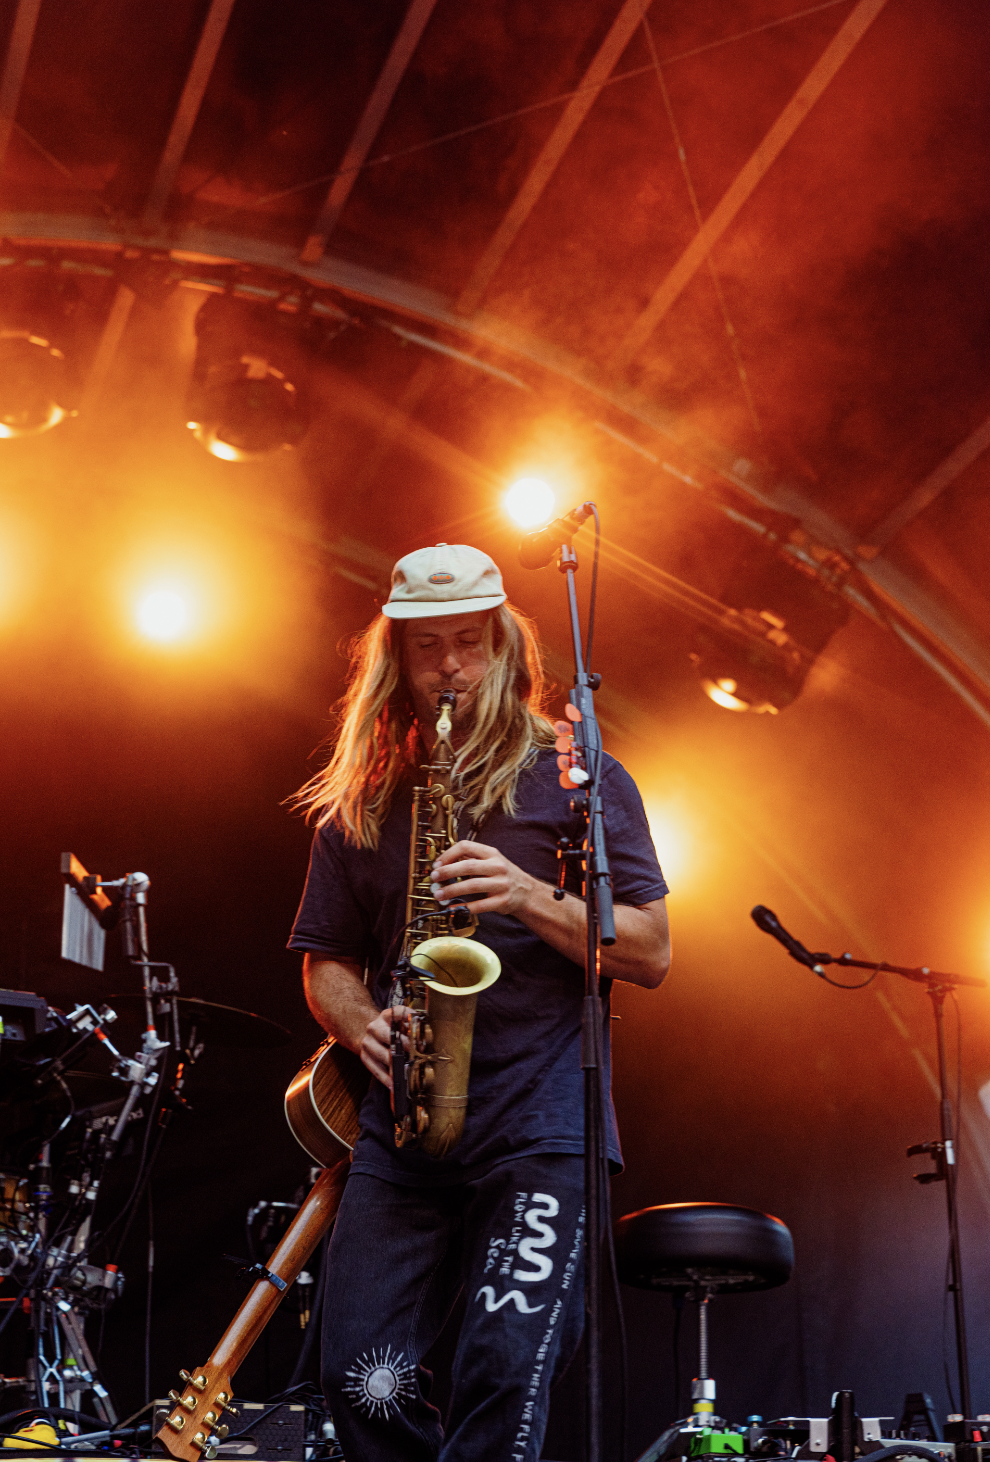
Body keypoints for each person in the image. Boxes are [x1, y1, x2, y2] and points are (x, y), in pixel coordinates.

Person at [288, 542, 670, 1462]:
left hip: (541, 1125)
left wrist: (527, 894)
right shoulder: (362, 800)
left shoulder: (581, 779)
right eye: (428, 647)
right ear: (396, 656)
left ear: (504, 646)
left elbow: (652, 951)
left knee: (505, 1368)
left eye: (469, 642)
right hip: (405, 1127)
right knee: (359, 1378)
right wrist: (361, 1025)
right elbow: (324, 962)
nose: (451, 667)